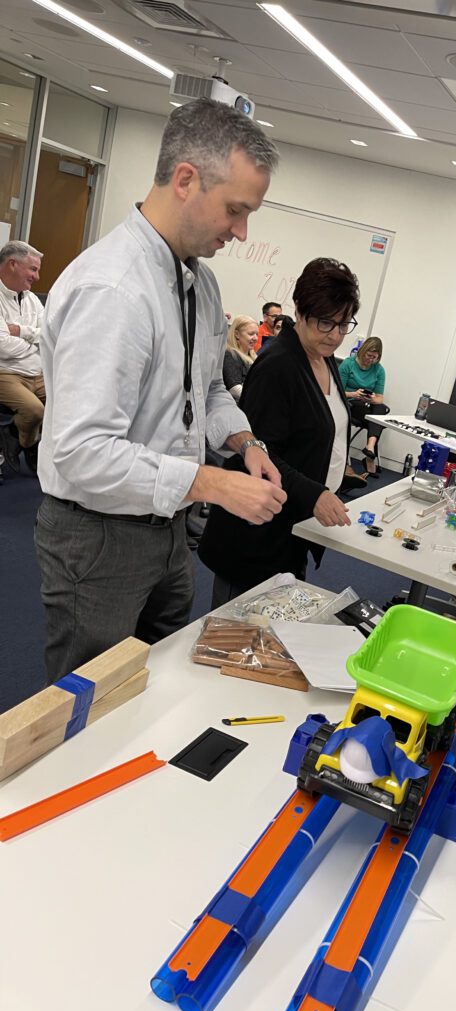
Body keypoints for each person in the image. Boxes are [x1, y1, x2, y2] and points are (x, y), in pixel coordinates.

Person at [35, 97, 287, 683]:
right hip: (98, 536)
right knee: (87, 705)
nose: (242, 231)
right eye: (235, 209)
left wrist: (246, 444)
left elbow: (207, 392)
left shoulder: (198, 280)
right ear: (185, 180)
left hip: (166, 528)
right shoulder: (114, 290)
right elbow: (81, 451)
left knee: (152, 688)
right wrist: (212, 483)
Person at [199, 257, 357, 605]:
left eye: (344, 324)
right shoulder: (278, 365)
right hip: (254, 536)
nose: (335, 335)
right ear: (299, 312)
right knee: (234, 639)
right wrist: (313, 493)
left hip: (290, 527)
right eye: (326, 322)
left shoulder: (323, 356)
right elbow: (259, 455)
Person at [0, 240, 46, 473]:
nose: (37, 277)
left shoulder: (31, 299)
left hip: (35, 371)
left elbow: (50, 334)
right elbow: (3, 346)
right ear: (12, 264)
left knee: (67, 400)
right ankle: (28, 441)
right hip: (5, 372)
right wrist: (35, 343)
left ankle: (17, 434)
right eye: (33, 269)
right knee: (34, 410)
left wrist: (22, 331)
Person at [339, 336, 388, 476]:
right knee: (376, 419)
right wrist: (354, 394)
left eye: (375, 357)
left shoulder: (379, 370)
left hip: (367, 404)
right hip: (351, 402)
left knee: (381, 408)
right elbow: (338, 391)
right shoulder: (348, 364)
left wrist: (372, 398)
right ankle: (369, 458)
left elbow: (380, 398)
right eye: (369, 355)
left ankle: (370, 447)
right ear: (363, 351)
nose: (371, 360)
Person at [222, 314, 257, 400]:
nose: (255, 338)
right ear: (237, 334)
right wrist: (258, 399)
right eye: (251, 334)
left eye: (257, 334)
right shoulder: (230, 355)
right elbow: (235, 389)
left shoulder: (253, 356)